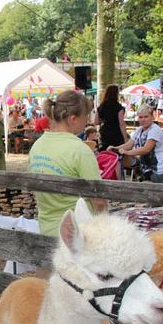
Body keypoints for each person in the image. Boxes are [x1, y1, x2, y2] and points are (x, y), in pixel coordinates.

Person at [28, 90, 107, 237]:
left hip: (46, 230)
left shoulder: (36, 147)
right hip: (77, 236)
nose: (86, 122)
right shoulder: (80, 150)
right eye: (85, 117)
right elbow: (99, 201)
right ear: (73, 119)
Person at [110, 104, 163, 184]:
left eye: (146, 117)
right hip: (147, 168)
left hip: (160, 170)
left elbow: (146, 149)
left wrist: (127, 152)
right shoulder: (139, 130)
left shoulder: (155, 130)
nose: (143, 120)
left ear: (152, 117)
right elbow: (129, 144)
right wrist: (115, 148)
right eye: (141, 117)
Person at [95, 84, 129, 151]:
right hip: (116, 132)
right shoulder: (119, 107)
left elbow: (96, 122)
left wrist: (104, 120)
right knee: (116, 151)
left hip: (105, 131)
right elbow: (121, 124)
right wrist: (125, 138)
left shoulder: (101, 107)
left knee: (105, 151)